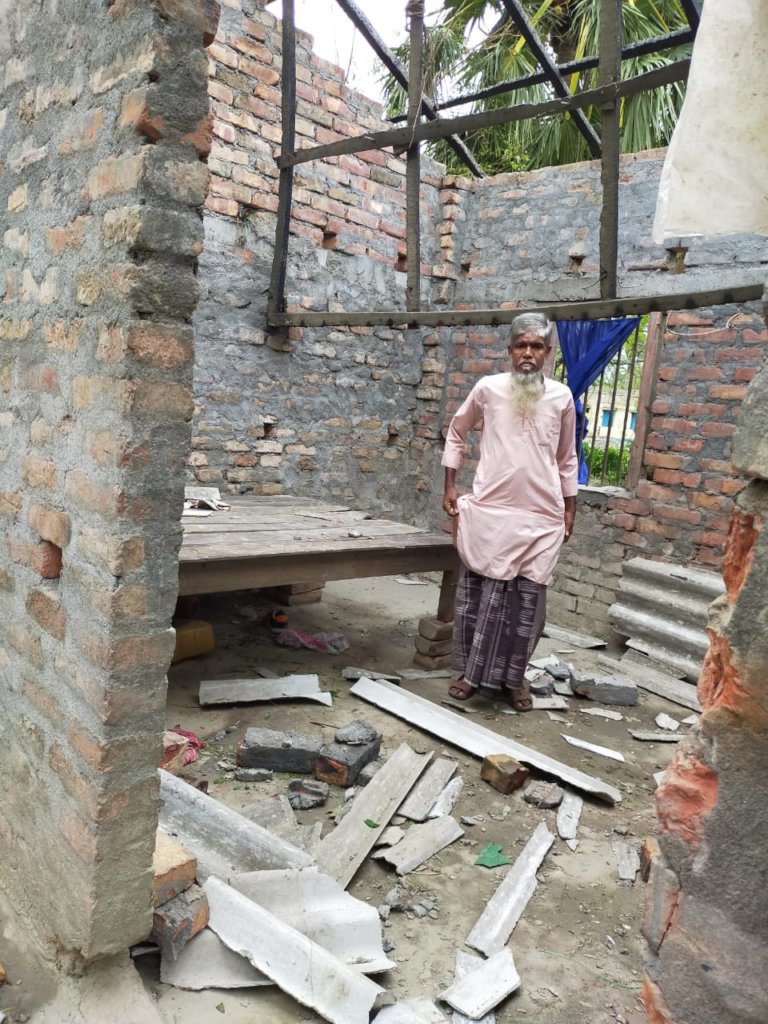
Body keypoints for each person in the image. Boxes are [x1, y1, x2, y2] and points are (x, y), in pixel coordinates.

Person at [441, 312, 578, 711]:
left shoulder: (562, 397)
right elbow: (456, 430)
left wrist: (570, 508)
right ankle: (470, 674)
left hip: (541, 515)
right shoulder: (488, 389)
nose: (528, 354)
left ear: (548, 353)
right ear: (510, 351)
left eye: (537, 347)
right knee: (479, 596)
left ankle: (514, 679)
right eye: (522, 346)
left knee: (527, 603)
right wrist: (450, 484)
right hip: (492, 512)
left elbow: (567, 458)